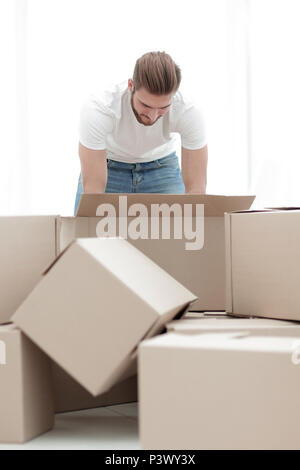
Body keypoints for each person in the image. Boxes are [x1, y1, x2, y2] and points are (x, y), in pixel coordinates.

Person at [74, 51, 208, 215]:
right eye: (146, 105)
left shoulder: (188, 111)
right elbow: (93, 191)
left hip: (162, 168)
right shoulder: (100, 109)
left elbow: (197, 192)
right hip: (110, 166)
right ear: (131, 86)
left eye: (163, 108)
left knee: (182, 231)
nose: (153, 116)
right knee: (88, 230)